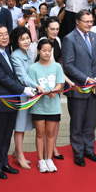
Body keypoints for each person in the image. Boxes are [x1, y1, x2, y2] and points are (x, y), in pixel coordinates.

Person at [0, 24, 35, 179]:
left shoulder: (7, 51)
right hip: (1, 102)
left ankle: (4, 162)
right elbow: (2, 78)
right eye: (0, 35)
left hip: (12, 100)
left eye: (6, 34)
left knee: (7, 134)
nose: (5, 37)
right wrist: (22, 89)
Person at [62, 9, 96, 167]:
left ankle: (89, 150)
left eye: (91, 21)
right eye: (86, 21)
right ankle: (78, 153)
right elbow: (69, 65)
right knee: (77, 123)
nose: (89, 24)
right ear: (77, 22)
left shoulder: (94, 37)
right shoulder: (69, 39)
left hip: (95, 88)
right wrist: (87, 79)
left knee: (90, 123)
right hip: (79, 89)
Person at [28, 40, 64, 173]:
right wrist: (42, 91)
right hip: (39, 106)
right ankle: (41, 160)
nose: (47, 53)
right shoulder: (33, 68)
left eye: (49, 51)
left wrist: (55, 90)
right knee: (40, 133)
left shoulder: (57, 66)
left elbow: (60, 83)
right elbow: (32, 85)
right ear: (38, 51)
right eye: (44, 51)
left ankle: (49, 158)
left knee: (50, 133)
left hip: (53, 106)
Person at [10, 27, 42, 170]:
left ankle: (17, 151)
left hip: (30, 93)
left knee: (23, 125)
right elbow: (22, 76)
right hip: (22, 94)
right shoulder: (16, 55)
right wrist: (37, 85)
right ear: (17, 41)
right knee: (20, 126)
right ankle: (20, 154)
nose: (26, 41)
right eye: (22, 39)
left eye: (27, 38)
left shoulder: (27, 53)